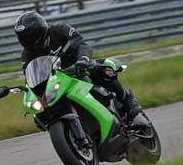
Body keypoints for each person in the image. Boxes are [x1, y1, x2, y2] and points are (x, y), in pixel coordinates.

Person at [14, 11, 142, 119]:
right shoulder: (27, 54)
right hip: (57, 82)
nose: (28, 40)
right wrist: (29, 89)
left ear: (40, 30)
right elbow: (29, 74)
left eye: (30, 36)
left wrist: (83, 59)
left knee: (105, 70)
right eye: (23, 37)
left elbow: (81, 43)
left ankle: (127, 100)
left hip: (79, 67)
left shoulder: (59, 30)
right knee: (40, 112)